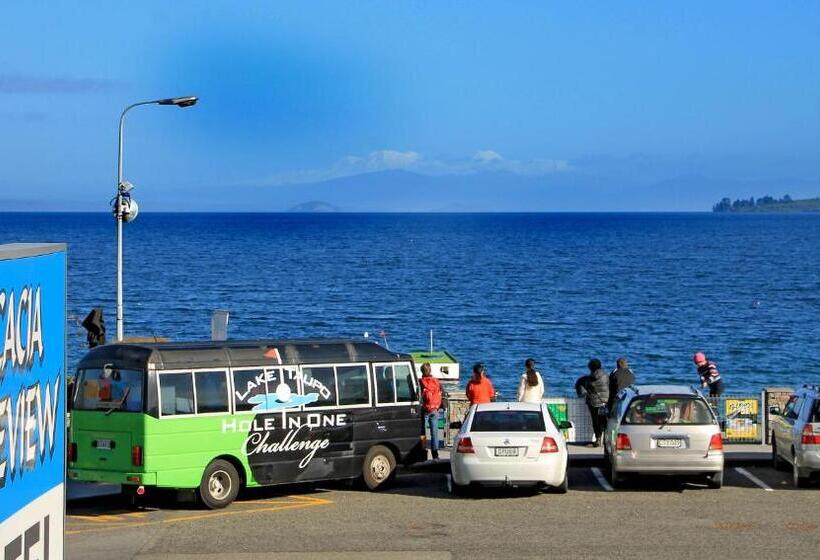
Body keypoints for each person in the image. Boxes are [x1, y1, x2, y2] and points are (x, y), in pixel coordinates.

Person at [580, 358, 609, 446]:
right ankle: (605, 440)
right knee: (604, 421)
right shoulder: (606, 375)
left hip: (594, 402)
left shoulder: (591, 378)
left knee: (596, 421)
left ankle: (598, 439)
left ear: (591, 367)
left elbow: (588, 386)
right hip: (605, 401)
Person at [418, 363, 443, 460]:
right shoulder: (436, 381)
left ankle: (423, 453)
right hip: (434, 409)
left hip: (424, 409)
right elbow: (441, 392)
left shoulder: (420, 382)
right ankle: (435, 455)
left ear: (422, 371)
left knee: (422, 433)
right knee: (434, 433)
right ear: (430, 370)